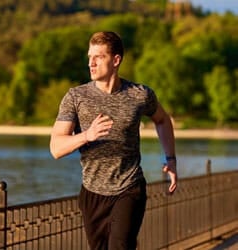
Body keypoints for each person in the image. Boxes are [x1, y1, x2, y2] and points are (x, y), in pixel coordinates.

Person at [49, 31, 177, 250]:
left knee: (119, 246)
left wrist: (171, 159)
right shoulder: (76, 97)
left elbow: (163, 121)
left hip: (129, 187)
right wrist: (86, 135)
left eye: (98, 57)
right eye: (90, 57)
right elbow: (56, 148)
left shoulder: (140, 95)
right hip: (92, 192)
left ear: (116, 60)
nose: (91, 63)